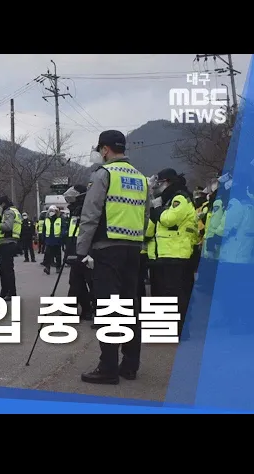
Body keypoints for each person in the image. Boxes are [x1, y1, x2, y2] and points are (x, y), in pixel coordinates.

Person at [77, 130, 149, 385]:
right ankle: (130, 365)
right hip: (133, 249)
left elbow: (91, 214)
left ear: (105, 149)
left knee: (108, 308)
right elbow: (145, 216)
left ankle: (107, 367)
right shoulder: (140, 178)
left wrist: (80, 250)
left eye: (100, 150)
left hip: (107, 248)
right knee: (130, 306)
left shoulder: (104, 174)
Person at [150, 168, 199, 340]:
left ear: (168, 182)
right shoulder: (170, 199)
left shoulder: (179, 198)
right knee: (171, 291)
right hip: (169, 252)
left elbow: (168, 220)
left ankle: (180, 329)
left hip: (177, 252)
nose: (159, 186)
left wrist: (157, 209)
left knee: (175, 293)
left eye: (160, 183)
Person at [63, 185, 93, 322]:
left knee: (91, 282)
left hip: (86, 251)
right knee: (75, 282)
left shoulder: (86, 209)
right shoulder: (74, 211)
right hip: (75, 250)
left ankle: (93, 310)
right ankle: (83, 309)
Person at [0, 195, 21, 301]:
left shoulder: (8, 212)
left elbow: (7, 226)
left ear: (3, 204)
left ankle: (11, 292)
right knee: (4, 269)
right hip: (10, 242)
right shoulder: (15, 211)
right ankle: (6, 291)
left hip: (7, 242)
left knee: (7, 270)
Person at [40, 205, 65, 274]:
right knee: (48, 255)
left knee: (58, 255)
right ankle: (47, 268)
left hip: (57, 240)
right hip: (49, 240)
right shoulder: (47, 219)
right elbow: (44, 229)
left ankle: (58, 267)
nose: (51, 212)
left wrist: (61, 236)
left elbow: (63, 228)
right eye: (50, 211)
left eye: (53, 211)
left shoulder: (60, 219)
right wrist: (43, 238)